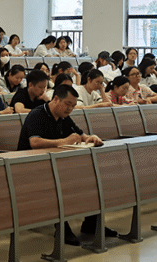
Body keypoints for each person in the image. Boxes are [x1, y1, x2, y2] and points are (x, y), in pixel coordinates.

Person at [17, 85, 106, 244]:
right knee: (59, 184)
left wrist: (89, 138)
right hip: (30, 166)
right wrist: (64, 141)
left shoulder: (63, 116)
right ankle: (63, 229)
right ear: (56, 99)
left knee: (92, 178)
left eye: (73, 105)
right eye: (68, 104)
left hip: (53, 164)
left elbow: (79, 134)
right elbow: (34, 142)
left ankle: (92, 224)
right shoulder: (37, 114)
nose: (70, 108)